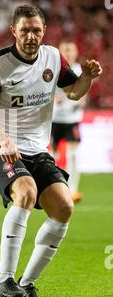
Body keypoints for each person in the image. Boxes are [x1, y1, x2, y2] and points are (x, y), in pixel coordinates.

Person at [0, 5, 102, 297]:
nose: (30, 36)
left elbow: (73, 92)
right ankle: (4, 279)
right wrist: (3, 139)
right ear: (13, 32)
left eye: (36, 30)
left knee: (64, 207)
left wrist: (88, 77)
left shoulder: (53, 57)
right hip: (0, 148)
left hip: (36, 149)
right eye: (24, 30)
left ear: (43, 31)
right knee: (26, 192)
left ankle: (26, 283)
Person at [51, 41, 85, 203]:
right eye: (65, 50)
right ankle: (53, 188)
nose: (68, 53)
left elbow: (84, 93)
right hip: (54, 119)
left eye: (71, 50)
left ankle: (73, 190)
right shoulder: (54, 69)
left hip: (72, 120)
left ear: (76, 52)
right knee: (52, 156)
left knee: (72, 155)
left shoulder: (80, 71)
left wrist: (80, 100)